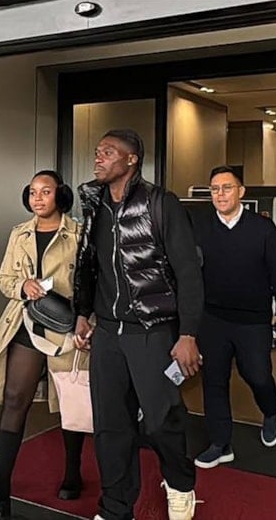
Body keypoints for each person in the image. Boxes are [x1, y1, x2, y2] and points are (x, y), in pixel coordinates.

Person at [73, 129, 204, 520]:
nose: (98, 158)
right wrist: (82, 313)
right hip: (107, 333)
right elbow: (88, 264)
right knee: (111, 428)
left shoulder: (161, 204)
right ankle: (115, 509)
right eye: (97, 152)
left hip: (153, 331)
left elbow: (188, 272)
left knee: (162, 421)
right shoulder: (94, 204)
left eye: (108, 152)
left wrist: (188, 334)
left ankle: (180, 485)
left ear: (131, 160)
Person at [0, 170, 87, 518]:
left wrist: (86, 320)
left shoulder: (79, 234)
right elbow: (4, 278)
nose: (38, 198)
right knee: (15, 399)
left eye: (45, 191)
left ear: (60, 195)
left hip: (66, 326)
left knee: (70, 400)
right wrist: (22, 286)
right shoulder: (19, 233)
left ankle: (73, 474)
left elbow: (91, 282)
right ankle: (0, 490)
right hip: (26, 323)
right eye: (33, 192)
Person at [193, 166, 276, 470]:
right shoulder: (200, 227)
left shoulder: (263, 229)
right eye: (215, 189)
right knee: (214, 380)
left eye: (227, 188)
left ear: (241, 192)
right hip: (212, 318)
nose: (220, 194)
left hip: (253, 319)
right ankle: (220, 444)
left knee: (257, 374)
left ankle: (271, 411)